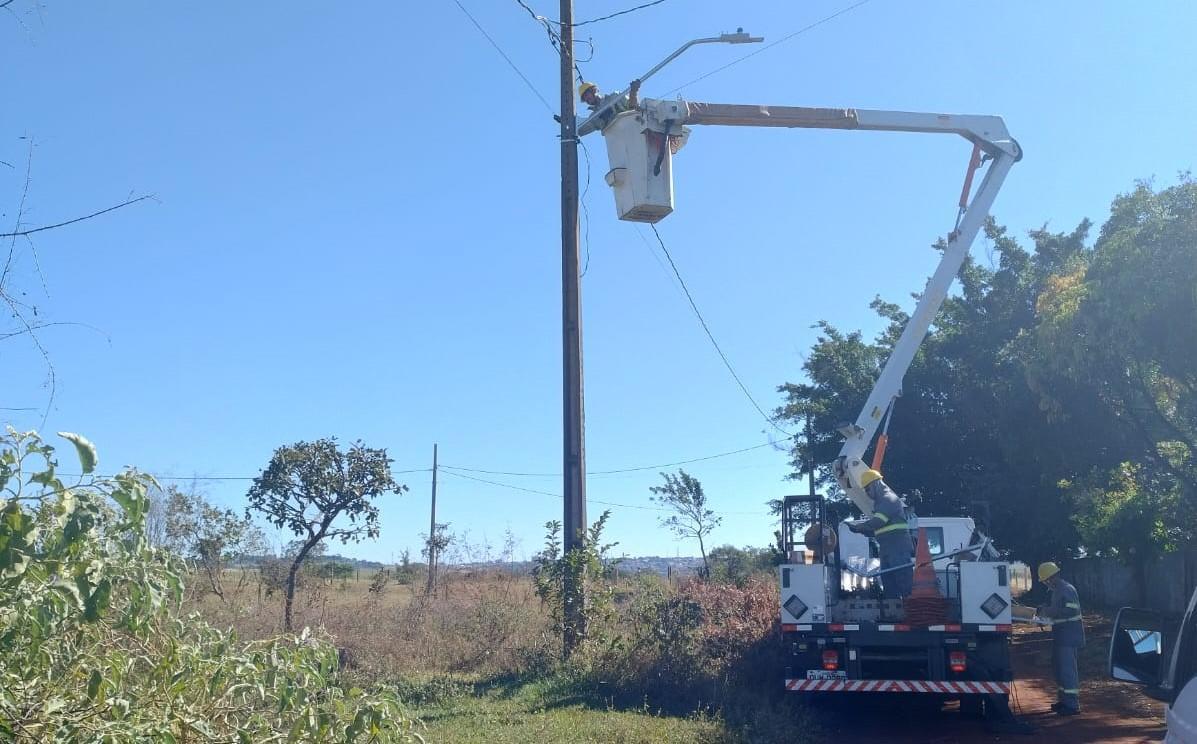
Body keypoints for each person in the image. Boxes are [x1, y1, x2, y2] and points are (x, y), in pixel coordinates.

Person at [840, 461, 913, 598]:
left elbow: (879, 522)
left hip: (897, 548)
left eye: (867, 489)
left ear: (876, 484)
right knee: (889, 583)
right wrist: (862, 530)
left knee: (903, 582)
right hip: (888, 548)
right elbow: (879, 529)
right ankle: (894, 611)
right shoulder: (881, 503)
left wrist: (859, 527)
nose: (867, 493)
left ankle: (911, 609)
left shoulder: (888, 499)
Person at [1036, 561, 1084, 715]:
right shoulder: (1057, 591)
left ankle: (1072, 705)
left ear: (1051, 578)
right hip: (1061, 635)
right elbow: (1058, 612)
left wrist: (1048, 611)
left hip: (1069, 636)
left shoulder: (1066, 590)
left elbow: (1069, 611)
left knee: (1067, 670)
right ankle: (1064, 701)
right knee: (1059, 670)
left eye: (1045, 580)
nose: (1045, 584)